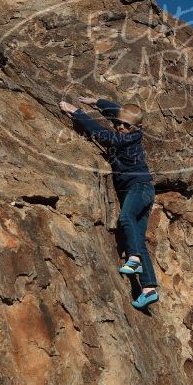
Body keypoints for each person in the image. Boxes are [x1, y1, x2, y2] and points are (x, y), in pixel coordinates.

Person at [60, 96, 158, 309]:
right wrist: (97, 102)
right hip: (139, 190)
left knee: (126, 217)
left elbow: (105, 136)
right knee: (138, 239)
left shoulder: (128, 138)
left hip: (140, 188)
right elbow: (117, 111)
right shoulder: (126, 126)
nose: (121, 127)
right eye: (119, 124)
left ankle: (134, 259)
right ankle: (149, 289)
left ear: (137, 128)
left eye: (126, 126)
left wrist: (76, 113)